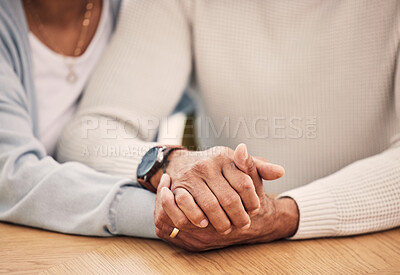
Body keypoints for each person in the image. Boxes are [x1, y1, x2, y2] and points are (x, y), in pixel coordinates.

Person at [57, 0, 400, 251]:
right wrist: (170, 165)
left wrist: (282, 215)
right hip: (226, 255)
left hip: (376, 247)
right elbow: (88, 132)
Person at [0, 0, 275, 239]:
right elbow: (10, 179)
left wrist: (198, 185)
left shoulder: (139, 10)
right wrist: (182, 212)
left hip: (106, 248)